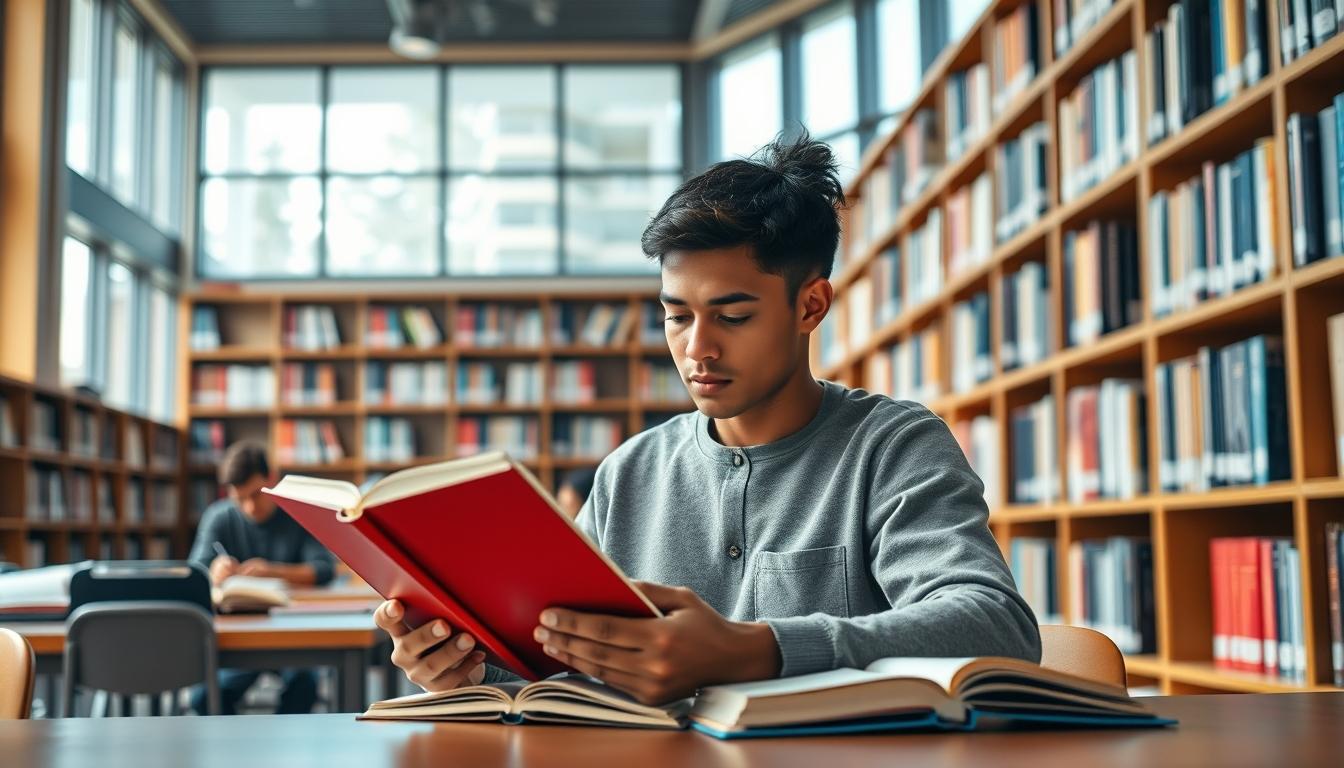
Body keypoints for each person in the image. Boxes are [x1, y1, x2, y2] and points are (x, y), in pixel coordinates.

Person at [374, 133, 1041, 705]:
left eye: (732, 315)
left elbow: (995, 627)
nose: (697, 349)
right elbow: (562, 670)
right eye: (676, 315)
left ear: (811, 306)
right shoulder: (627, 474)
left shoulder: (893, 446)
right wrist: (464, 670)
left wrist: (756, 650)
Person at [188, 440, 336, 714]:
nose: (249, 507)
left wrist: (273, 571)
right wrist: (214, 570)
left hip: (295, 638)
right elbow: (194, 573)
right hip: (237, 641)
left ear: (272, 478)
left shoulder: (298, 513)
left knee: (304, 686)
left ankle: (284, 753)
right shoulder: (219, 517)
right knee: (203, 698)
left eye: (256, 494)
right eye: (239, 498)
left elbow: (324, 569)